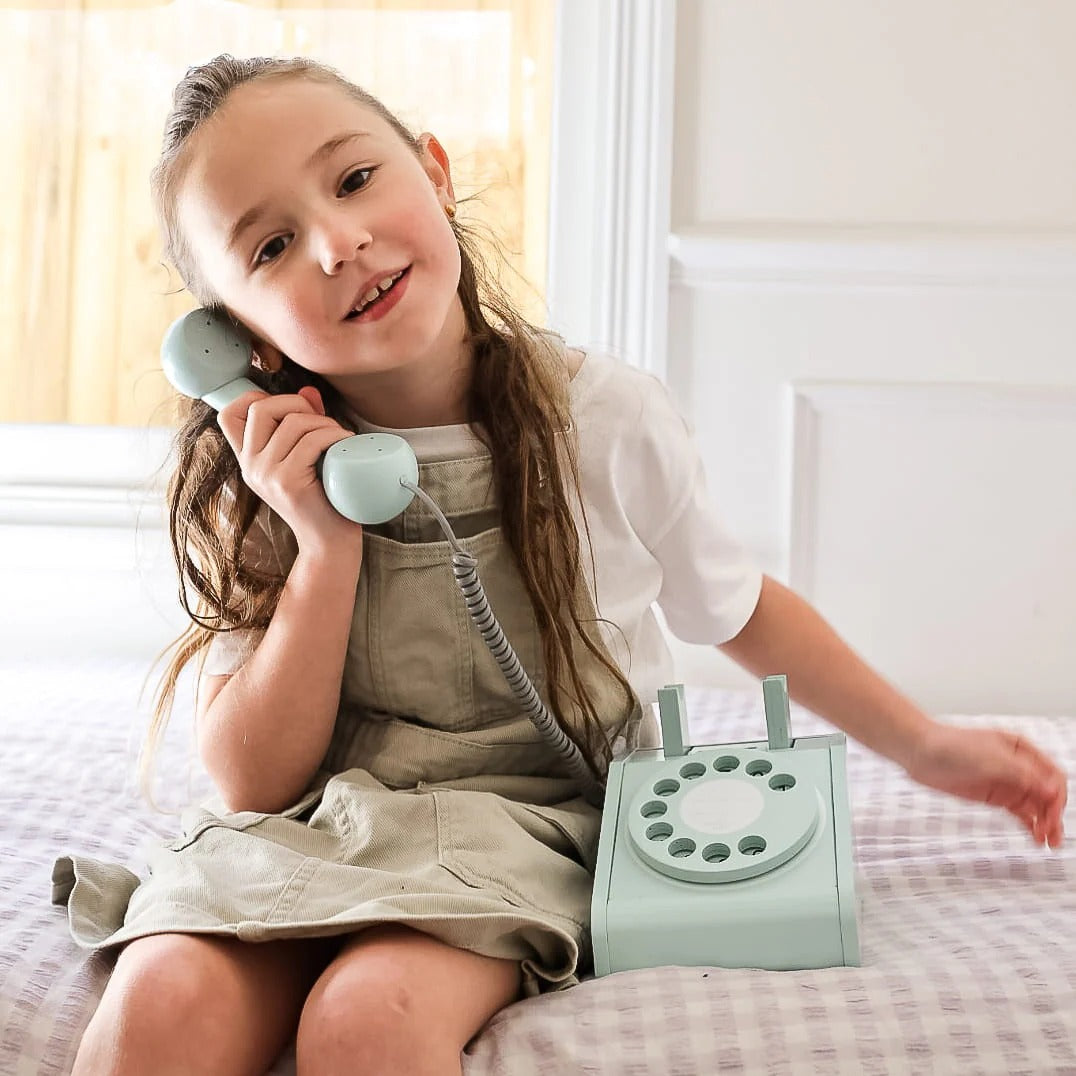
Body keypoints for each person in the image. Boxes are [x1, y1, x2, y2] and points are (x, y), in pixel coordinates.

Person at [52, 53, 1068, 1076]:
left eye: (355, 179)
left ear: (435, 172)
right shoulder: (265, 470)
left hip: (523, 821)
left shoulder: (603, 416)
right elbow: (250, 779)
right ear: (235, 339)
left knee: (365, 1018)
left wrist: (925, 745)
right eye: (271, 244)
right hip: (315, 820)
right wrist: (323, 544)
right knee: (164, 997)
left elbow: (740, 607)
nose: (337, 241)